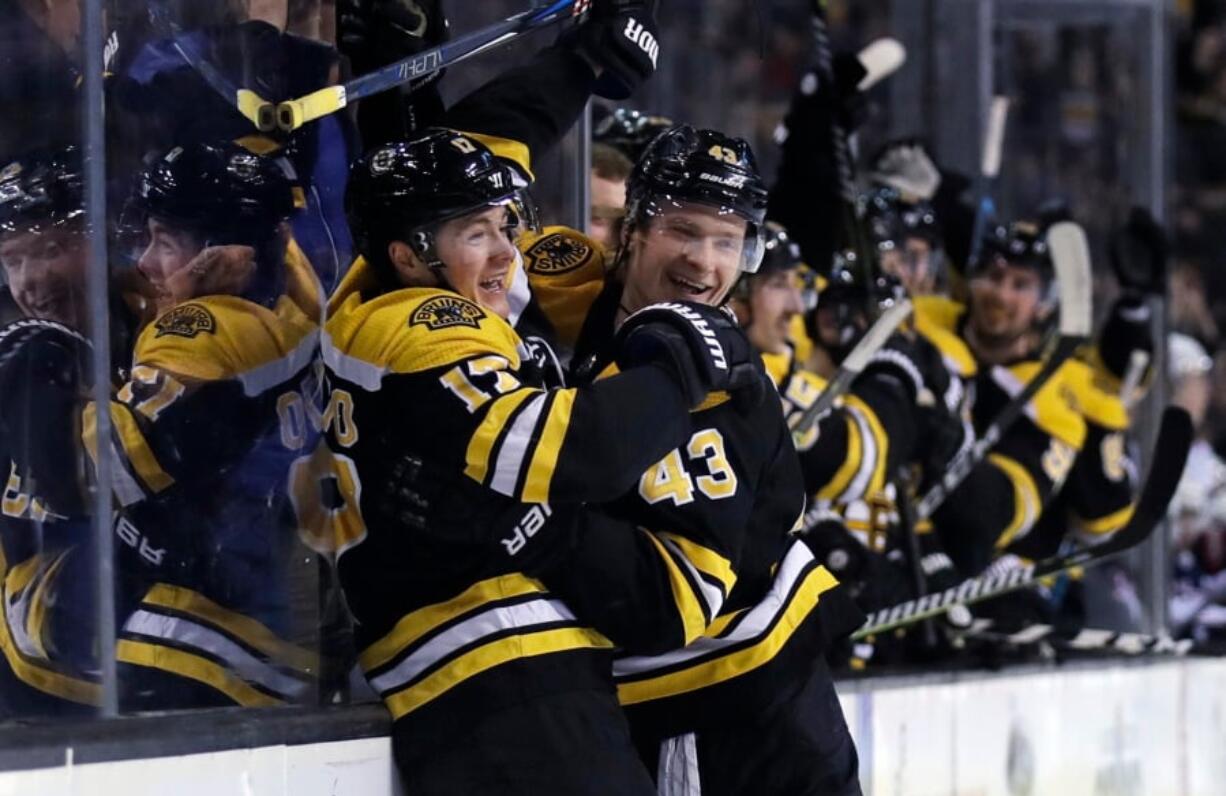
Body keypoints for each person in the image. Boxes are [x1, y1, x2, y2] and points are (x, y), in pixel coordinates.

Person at [323, 128, 761, 794]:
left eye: (506, 225)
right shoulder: (424, 321)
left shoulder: (402, 310)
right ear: (406, 257)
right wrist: (687, 360)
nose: (507, 253)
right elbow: (581, 452)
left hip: (500, 676)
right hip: (498, 670)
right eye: (476, 234)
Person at [518, 125, 864, 795]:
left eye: (726, 241)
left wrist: (520, 520)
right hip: (686, 705)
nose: (705, 263)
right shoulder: (573, 279)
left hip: (735, 713)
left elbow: (668, 606)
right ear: (634, 227)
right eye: (684, 230)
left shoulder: (721, 385)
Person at [98, 140, 324, 711]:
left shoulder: (197, 329)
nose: (146, 262)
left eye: (165, 243)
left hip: (191, 633)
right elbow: (279, 245)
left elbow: (105, 470)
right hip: (283, 634)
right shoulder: (300, 314)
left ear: (224, 256)